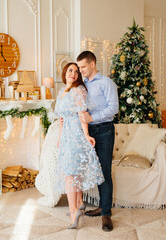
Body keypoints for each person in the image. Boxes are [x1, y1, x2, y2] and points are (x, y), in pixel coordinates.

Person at [54, 62, 105, 229]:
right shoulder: (62, 92)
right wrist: (59, 139)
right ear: (65, 72)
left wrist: (86, 135)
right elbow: (61, 119)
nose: (74, 74)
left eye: (76, 71)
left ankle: (74, 209)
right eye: (70, 70)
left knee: (70, 174)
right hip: (66, 136)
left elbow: (83, 114)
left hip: (76, 135)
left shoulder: (78, 90)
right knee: (72, 173)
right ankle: (79, 203)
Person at [77, 51, 119, 232]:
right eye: (79, 67)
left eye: (83, 67)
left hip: (104, 130)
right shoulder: (82, 84)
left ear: (93, 64)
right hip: (87, 131)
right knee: (89, 169)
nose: (81, 70)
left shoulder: (106, 83)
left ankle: (106, 213)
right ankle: (91, 206)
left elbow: (114, 108)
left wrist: (92, 118)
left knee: (104, 171)